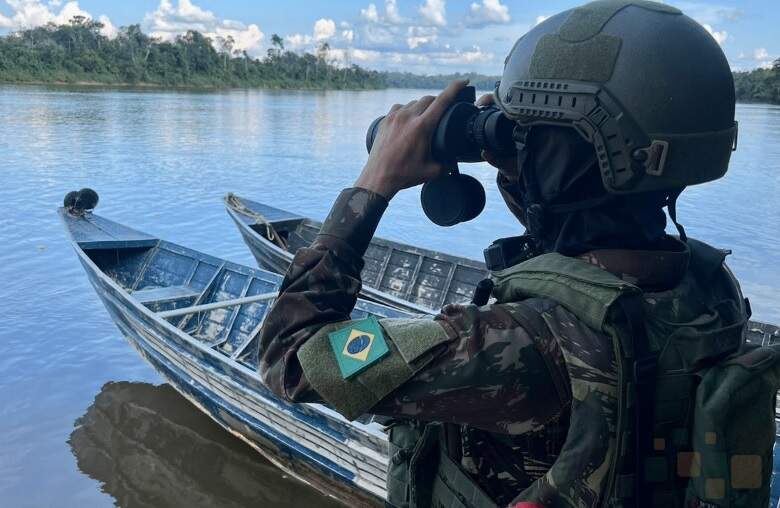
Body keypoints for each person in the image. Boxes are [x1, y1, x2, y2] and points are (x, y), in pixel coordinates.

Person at [256, 1, 780, 507]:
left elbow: (291, 359)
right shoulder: (710, 287)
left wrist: (373, 182)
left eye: (532, 140)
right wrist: (521, 163)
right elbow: (577, 249)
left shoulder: (520, 341)